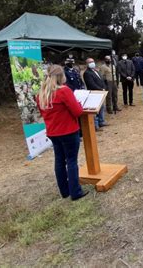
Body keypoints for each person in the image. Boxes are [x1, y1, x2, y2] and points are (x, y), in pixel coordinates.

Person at [37, 65, 88, 201]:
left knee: (59, 160)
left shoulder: (41, 94)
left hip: (53, 132)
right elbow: (77, 112)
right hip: (68, 131)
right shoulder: (64, 91)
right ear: (61, 76)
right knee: (71, 161)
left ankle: (64, 191)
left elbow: (42, 112)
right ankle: (75, 192)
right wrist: (78, 104)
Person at [83, 58, 107, 130]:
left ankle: (101, 121)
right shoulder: (87, 73)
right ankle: (96, 125)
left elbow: (101, 80)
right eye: (90, 62)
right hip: (94, 93)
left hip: (101, 92)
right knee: (96, 110)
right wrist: (100, 89)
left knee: (102, 107)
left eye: (93, 61)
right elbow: (91, 84)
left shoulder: (96, 71)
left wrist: (104, 87)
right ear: (87, 64)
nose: (92, 63)